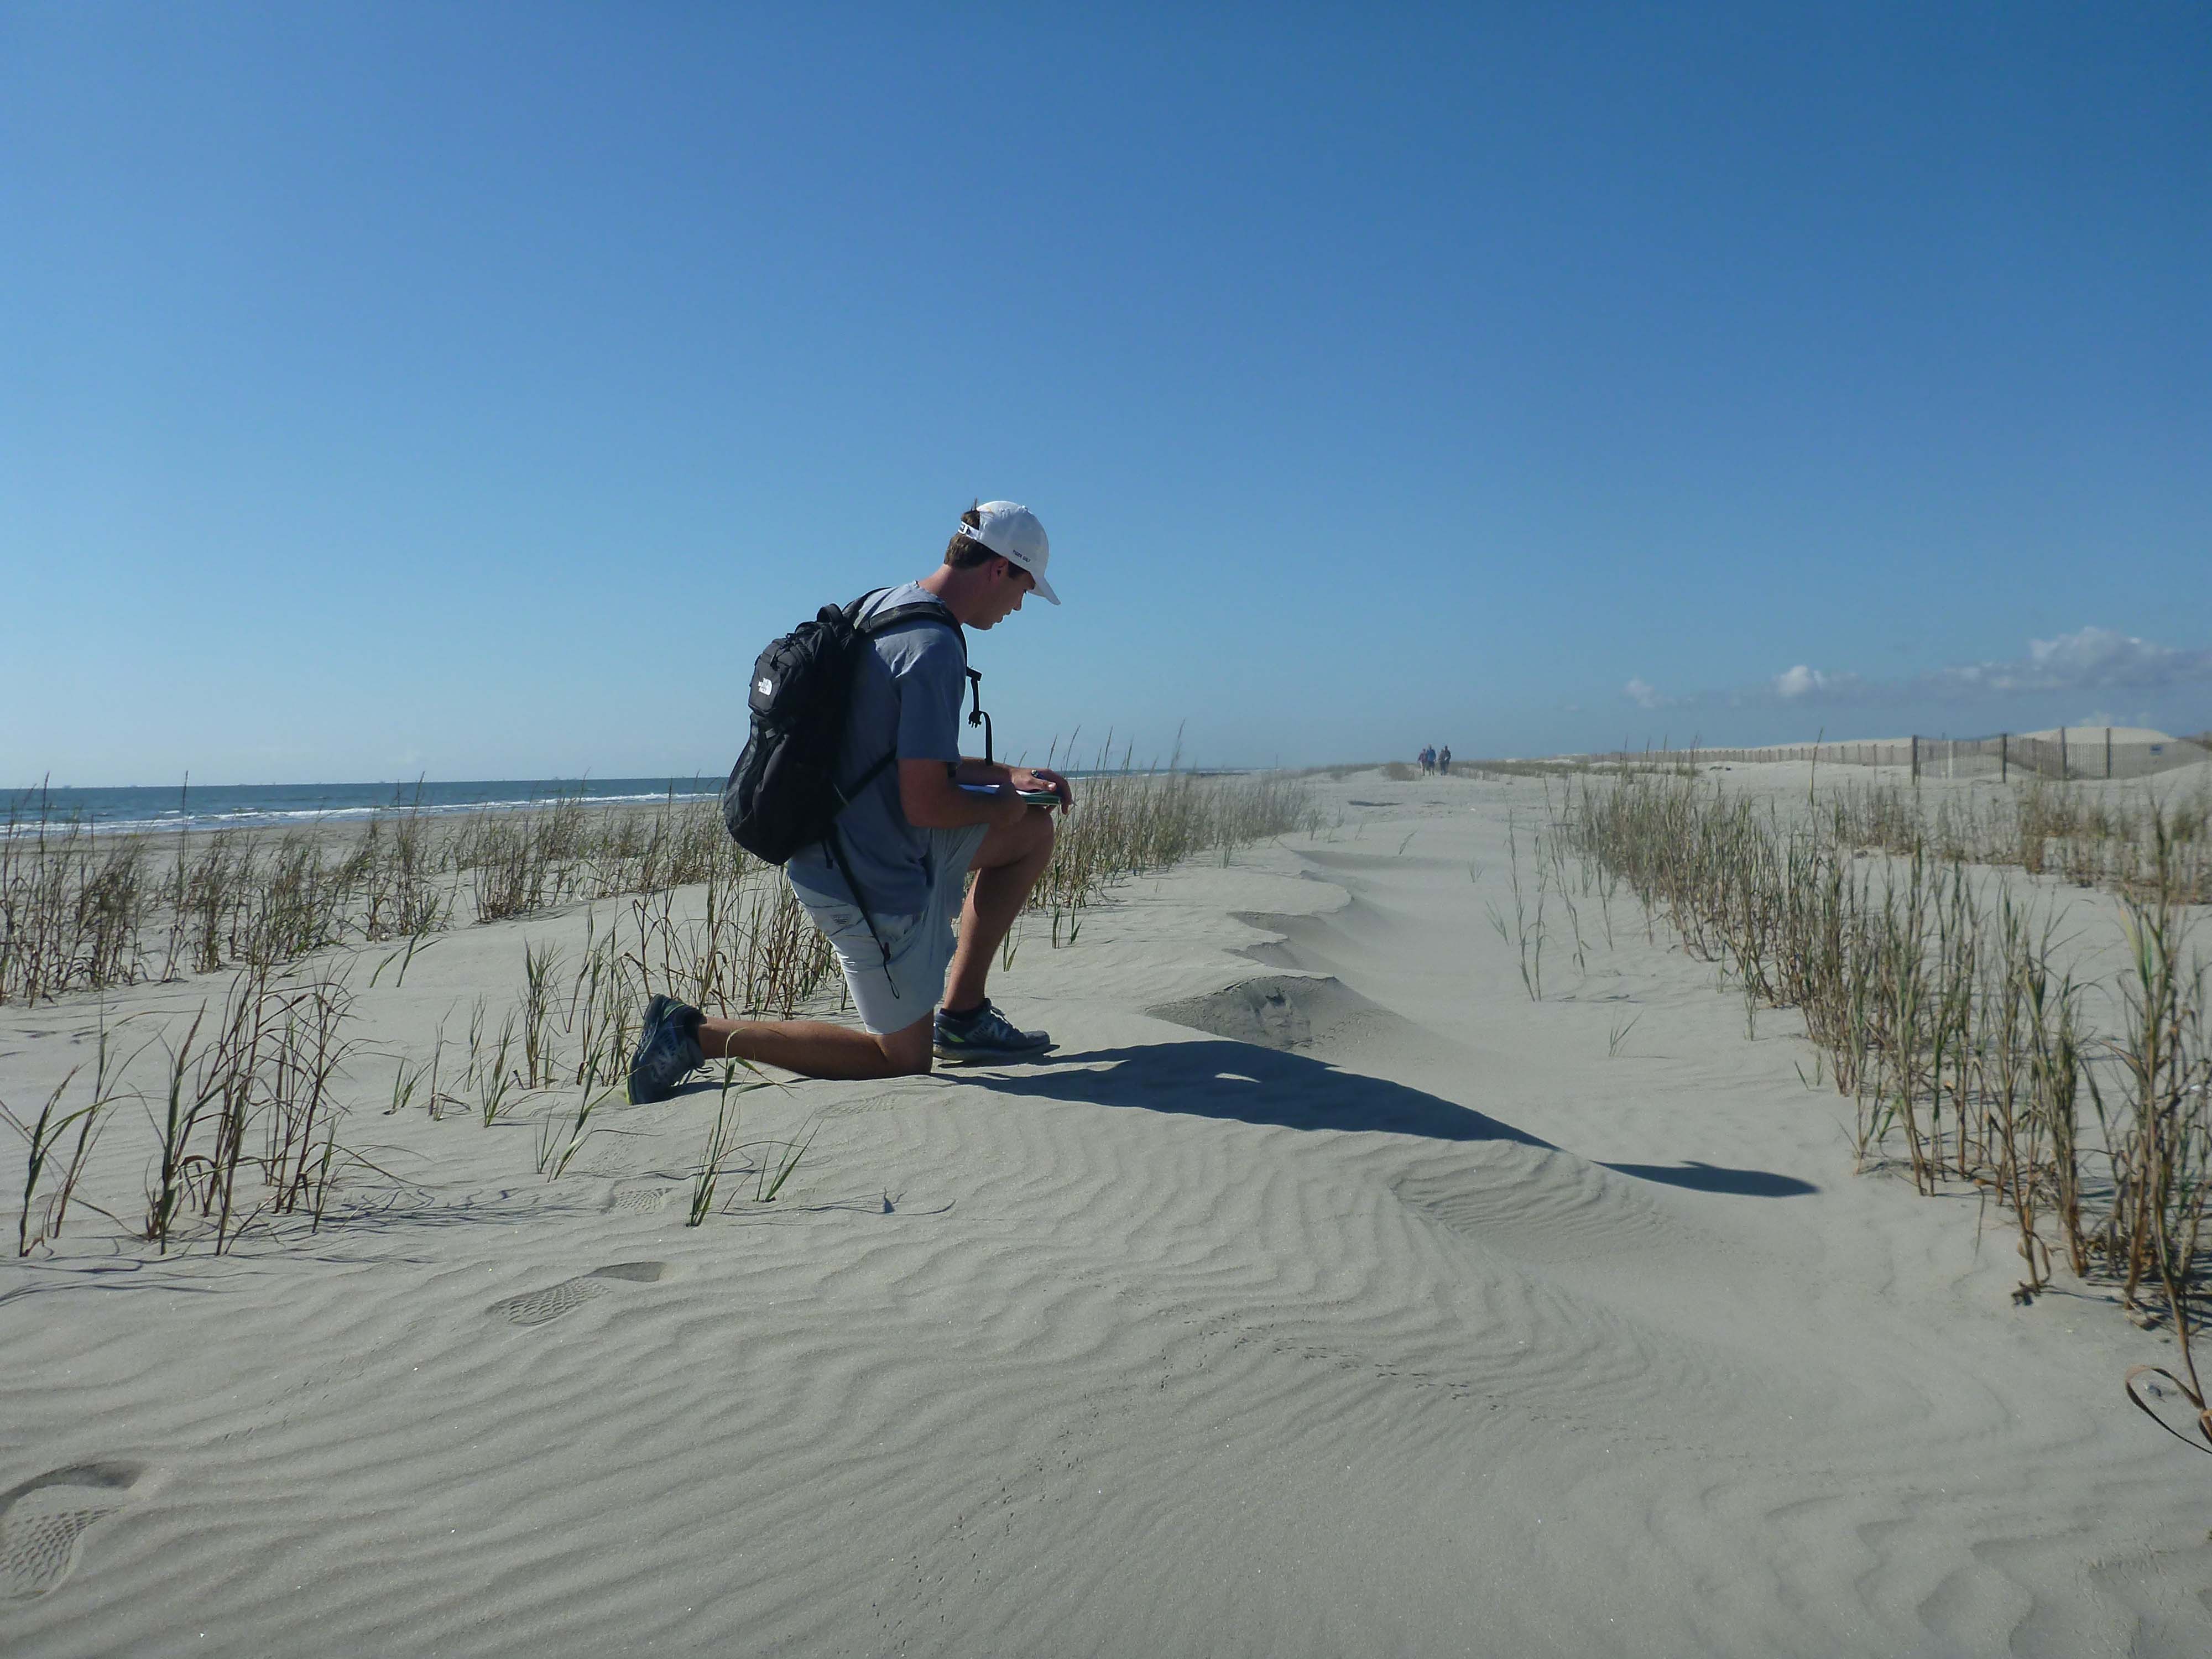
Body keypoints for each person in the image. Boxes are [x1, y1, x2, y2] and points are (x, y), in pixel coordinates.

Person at [628, 502, 1072, 1099]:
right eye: (1023, 587)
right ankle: (692, 1033)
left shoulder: (886, 606)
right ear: (999, 569)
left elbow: (901, 761)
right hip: (861, 874)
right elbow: (927, 803)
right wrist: (1000, 807)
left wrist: (1009, 776)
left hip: (862, 835)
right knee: (902, 1060)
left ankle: (963, 1017)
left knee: (1031, 835)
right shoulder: (935, 646)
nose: (1019, 605)